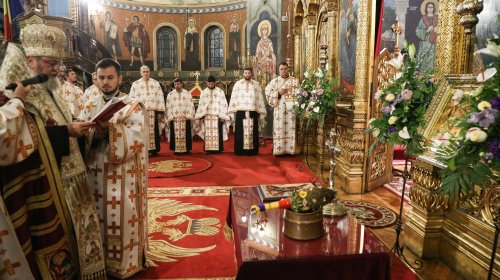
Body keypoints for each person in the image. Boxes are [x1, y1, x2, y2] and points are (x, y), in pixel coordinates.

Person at [0, 23, 106, 279]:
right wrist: (67, 132)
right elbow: (22, 140)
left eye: (59, 63)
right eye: (51, 62)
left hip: (70, 176)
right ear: (30, 60)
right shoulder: (14, 91)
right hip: (46, 184)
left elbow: (60, 124)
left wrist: (81, 131)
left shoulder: (51, 89)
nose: (57, 69)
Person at [78, 58, 148, 278]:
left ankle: (124, 266)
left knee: (121, 219)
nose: (106, 82)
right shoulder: (88, 104)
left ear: (119, 78)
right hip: (95, 174)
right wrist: (89, 133)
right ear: (95, 79)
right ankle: (98, 263)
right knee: (96, 220)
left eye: (110, 77)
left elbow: (136, 139)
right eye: (101, 78)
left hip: (121, 176)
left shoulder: (132, 106)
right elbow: (79, 139)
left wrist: (109, 131)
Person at [228, 67, 267, 155]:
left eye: (249, 73)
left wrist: (260, 110)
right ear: (243, 73)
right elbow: (234, 97)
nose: (247, 75)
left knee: (252, 132)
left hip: (253, 112)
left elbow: (259, 98)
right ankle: (240, 150)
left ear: (251, 74)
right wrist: (232, 110)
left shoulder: (256, 84)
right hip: (240, 112)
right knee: (240, 132)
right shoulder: (238, 84)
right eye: (245, 73)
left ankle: (252, 151)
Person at [129, 65, 165, 155]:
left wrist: (160, 112)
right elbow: (131, 98)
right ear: (140, 73)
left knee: (153, 131)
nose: (145, 73)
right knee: (141, 130)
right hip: (140, 112)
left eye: (147, 71)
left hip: (153, 111)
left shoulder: (155, 83)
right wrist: (132, 111)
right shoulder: (135, 84)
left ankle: (154, 150)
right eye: (144, 72)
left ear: (149, 72)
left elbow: (160, 97)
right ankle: (143, 149)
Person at [265, 62, 299, 155]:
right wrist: (278, 93)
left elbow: (299, 95)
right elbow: (267, 92)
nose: (283, 71)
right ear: (279, 70)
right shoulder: (274, 81)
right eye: (281, 69)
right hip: (279, 110)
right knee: (279, 129)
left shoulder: (295, 81)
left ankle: (290, 150)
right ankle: (279, 150)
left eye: (285, 68)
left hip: (291, 111)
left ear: (288, 69)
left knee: (290, 129)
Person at [194, 76, 230, 153]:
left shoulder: (220, 91)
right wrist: (201, 115)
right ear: (207, 83)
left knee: (218, 133)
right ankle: (208, 149)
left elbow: (223, 104)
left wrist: (222, 116)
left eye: (212, 84)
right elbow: (201, 105)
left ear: (215, 83)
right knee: (208, 133)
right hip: (207, 117)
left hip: (217, 116)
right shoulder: (204, 92)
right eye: (209, 84)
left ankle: (218, 149)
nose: (210, 85)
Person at [165, 78, 195, 153]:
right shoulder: (170, 94)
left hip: (185, 118)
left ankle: (187, 149)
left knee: (186, 134)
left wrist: (188, 115)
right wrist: (171, 116)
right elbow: (168, 106)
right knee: (175, 134)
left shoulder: (187, 94)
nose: (176, 86)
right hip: (174, 118)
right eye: (175, 84)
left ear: (182, 84)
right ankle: (176, 149)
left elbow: (190, 105)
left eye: (178, 84)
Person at [415, 1, 438, 73]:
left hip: (434, 44)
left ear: (434, 8)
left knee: (433, 60)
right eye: (429, 7)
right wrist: (427, 31)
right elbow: (418, 30)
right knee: (424, 60)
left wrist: (438, 30)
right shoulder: (423, 19)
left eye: (432, 7)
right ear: (426, 8)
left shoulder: (437, 18)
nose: (430, 9)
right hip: (425, 43)